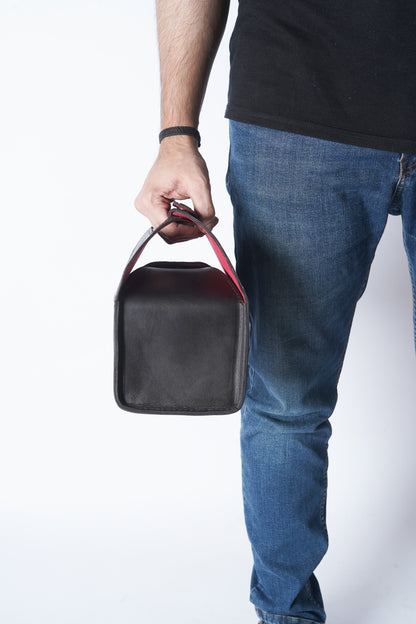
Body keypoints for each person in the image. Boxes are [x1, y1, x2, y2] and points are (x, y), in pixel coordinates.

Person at [135, 2, 416, 623]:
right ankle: (286, 615)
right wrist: (176, 133)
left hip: (296, 116)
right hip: (298, 109)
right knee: (286, 398)